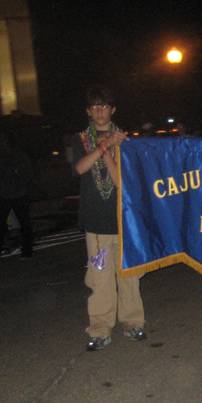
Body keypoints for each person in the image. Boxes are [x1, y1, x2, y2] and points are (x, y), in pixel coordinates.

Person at [72, 86, 146, 351]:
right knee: (99, 277)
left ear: (113, 110)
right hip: (96, 223)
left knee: (129, 274)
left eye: (105, 106)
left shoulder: (125, 140)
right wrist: (103, 146)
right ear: (89, 112)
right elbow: (80, 167)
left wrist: (113, 147)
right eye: (95, 107)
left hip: (125, 221)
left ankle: (132, 322)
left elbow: (122, 182)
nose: (100, 111)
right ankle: (100, 330)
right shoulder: (80, 140)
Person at [0, 131, 34, 261]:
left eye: (3, 140)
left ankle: (26, 250)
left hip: (16, 193)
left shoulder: (18, 155)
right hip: (4, 193)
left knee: (23, 223)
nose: (1, 143)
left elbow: (27, 173)